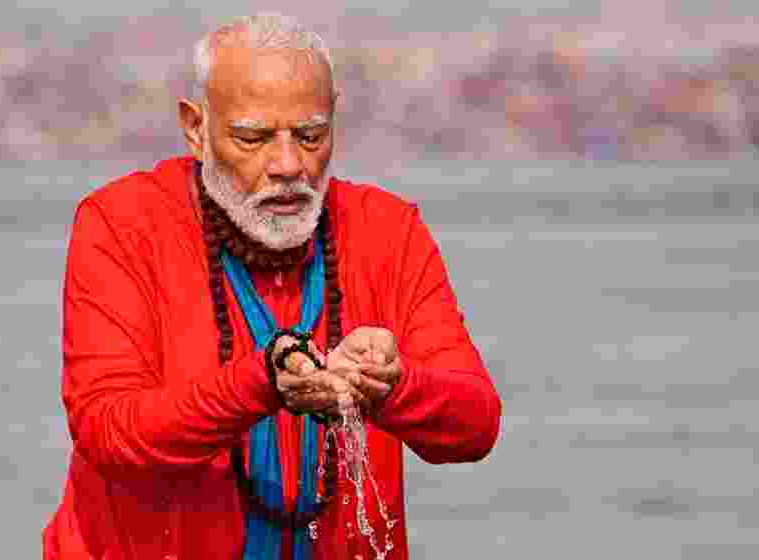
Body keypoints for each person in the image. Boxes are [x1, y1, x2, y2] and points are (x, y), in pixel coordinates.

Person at [44, 13, 502, 560]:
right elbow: (109, 432)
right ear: (196, 129)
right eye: (253, 138)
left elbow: (477, 423)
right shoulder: (121, 225)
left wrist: (394, 386)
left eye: (310, 136)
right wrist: (263, 381)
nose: (288, 166)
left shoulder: (387, 230)